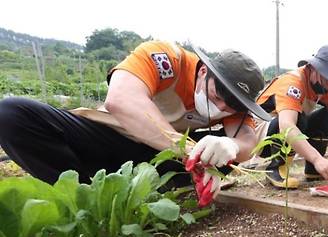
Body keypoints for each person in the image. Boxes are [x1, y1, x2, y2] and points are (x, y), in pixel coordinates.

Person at [0, 40, 271, 199]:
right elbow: (120, 99)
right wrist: (186, 149)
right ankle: (84, 200)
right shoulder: (169, 59)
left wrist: (231, 147)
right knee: (12, 115)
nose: (222, 106)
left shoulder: (234, 106)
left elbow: (247, 140)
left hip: (155, 158)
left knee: (219, 154)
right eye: (217, 95)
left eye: (231, 104)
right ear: (203, 73)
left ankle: (143, 191)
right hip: (110, 137)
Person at [254, 44, 328, 189]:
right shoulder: (293, 83)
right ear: (313, 68)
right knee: (297, 118)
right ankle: (276, 169)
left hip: (284, 128)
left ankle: (312, 171)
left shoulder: (321, 85)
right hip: (259, 135)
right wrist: (317, 159)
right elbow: (286, 126)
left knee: (327, 114)